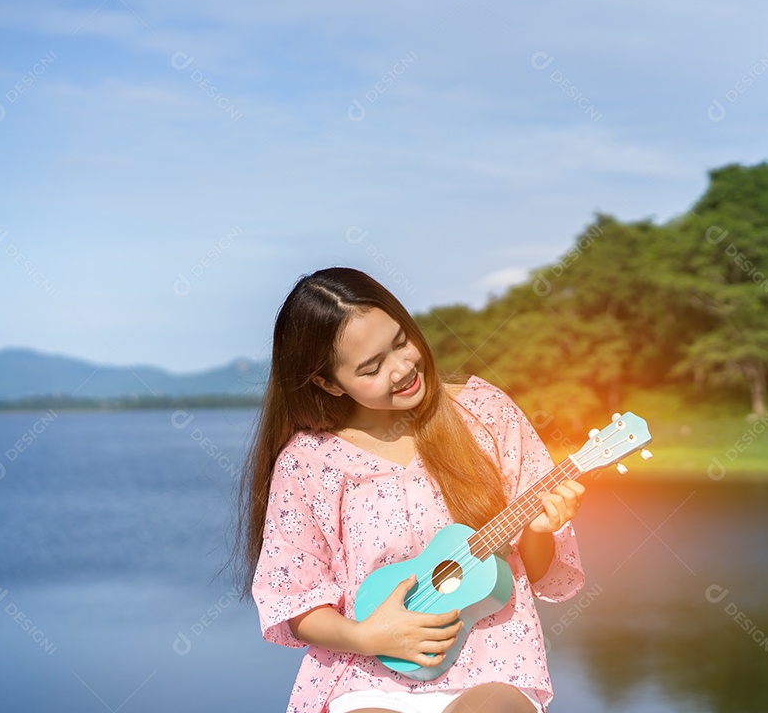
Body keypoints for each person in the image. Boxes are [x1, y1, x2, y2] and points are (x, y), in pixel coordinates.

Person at [237, 267, 585, 713]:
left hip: (494, 663)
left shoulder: (485, 415)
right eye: (372, 368)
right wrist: (369, 636)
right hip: (366, 674)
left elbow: (536, 572)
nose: (402, 369)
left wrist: (539, 530)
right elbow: (296, 600)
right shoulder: (309, 463)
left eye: (401, 342)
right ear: (328, 383)